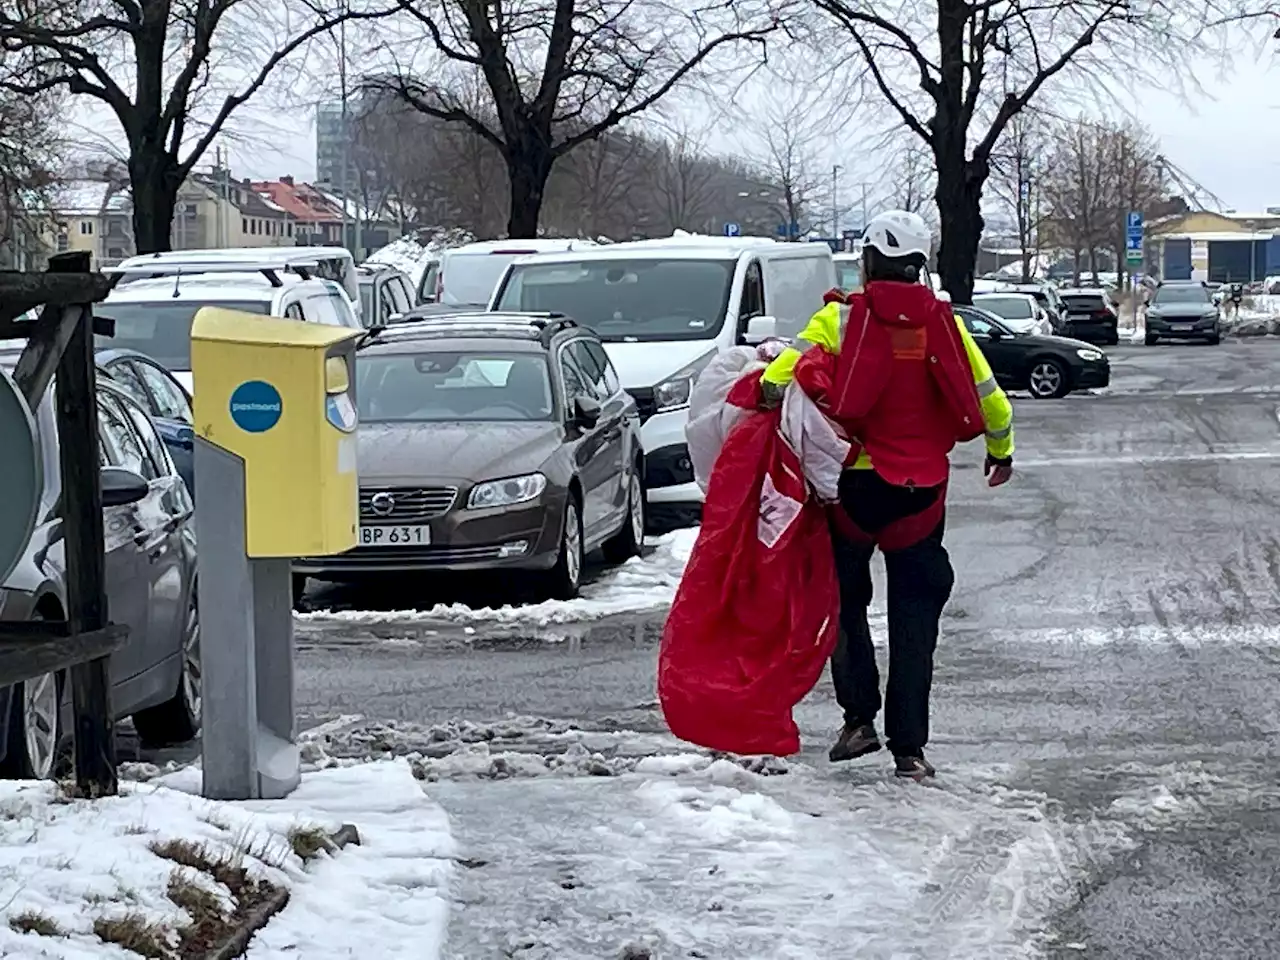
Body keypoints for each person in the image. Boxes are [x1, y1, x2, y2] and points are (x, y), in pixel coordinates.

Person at [761, 210, 1015, 781]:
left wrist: (764, 390)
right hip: (920, 496)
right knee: (915, 619)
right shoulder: (944, 324)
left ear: (870, 260)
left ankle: (858, 720)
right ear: (920, 264)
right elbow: (992, 403)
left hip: (852, 490)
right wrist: (1001, 452)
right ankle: (911, 750)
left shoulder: (839, 319)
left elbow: (780, 377)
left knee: (846, 605)